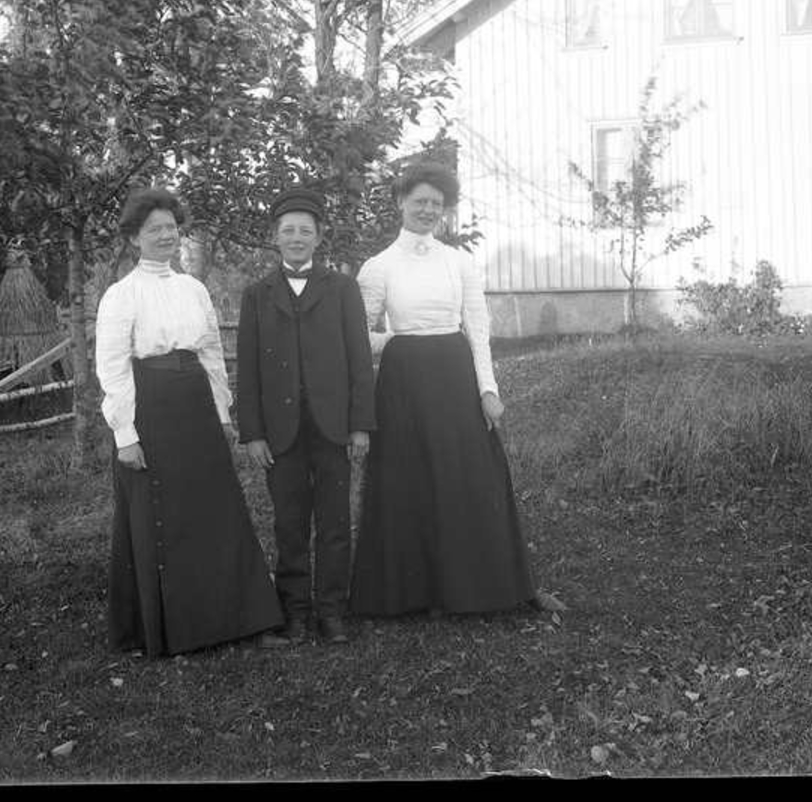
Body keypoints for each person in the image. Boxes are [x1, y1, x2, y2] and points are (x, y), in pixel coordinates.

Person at [349, 162, 567, 620]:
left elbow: (478, 329)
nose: (428, 210)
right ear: (400, 203)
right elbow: (357, 336)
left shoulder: (459, 262)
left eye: (436, 203)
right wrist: (398, 340)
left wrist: (487, 389)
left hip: (454, 375)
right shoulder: (378, 267)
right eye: (419, 201)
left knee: (470, 477)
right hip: (403, 382)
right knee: (409, 480)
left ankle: (486, 588)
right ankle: (415, 593)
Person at [95, 188, 287, 657]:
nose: (165, 236)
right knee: (163, 518)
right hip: (151, 409)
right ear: (135, 237)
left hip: (197, 407)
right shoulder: (121, 296)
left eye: (171, 228)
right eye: (154, 229)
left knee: (216, 512)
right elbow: (113, 368)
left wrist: (222, 413)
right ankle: (175, 628)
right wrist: (125, 435)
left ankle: (239, 617)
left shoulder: (193, 289)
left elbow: (211, 354)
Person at [236, 186, 376, 645]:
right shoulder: (257, 295)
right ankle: (294, 611)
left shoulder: (342, 289)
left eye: (305, 231)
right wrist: (253, 433)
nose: (296, 238)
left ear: (318, 237)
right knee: (289, 522)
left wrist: (359, 425)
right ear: (275, 237)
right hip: (280, 432)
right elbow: (249, 369)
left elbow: (360, 360)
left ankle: (332, 610)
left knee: (334, 522)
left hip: (333, 427)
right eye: (288, 231)